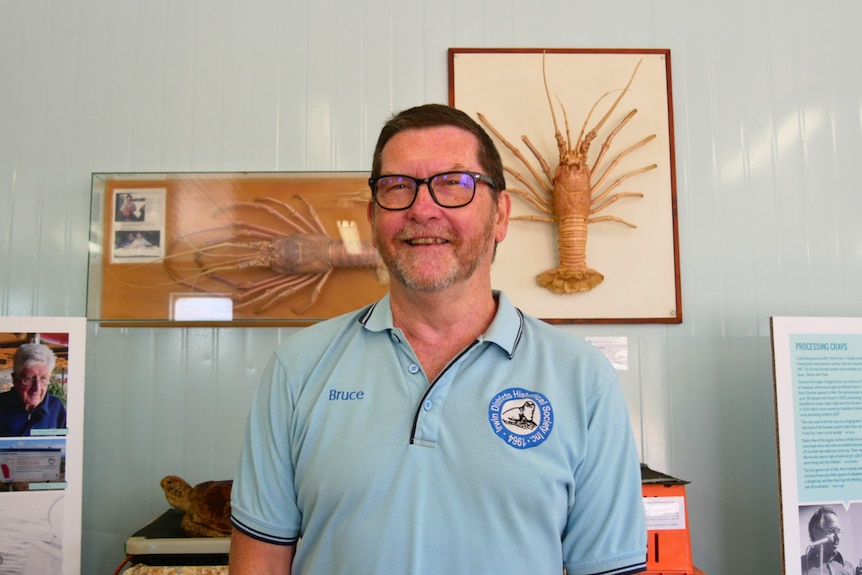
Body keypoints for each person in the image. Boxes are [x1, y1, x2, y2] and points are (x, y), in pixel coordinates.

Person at [229, 103, 647, 575]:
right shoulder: (297, 368)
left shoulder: (583, 379)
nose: (421, 208)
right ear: (372, 216)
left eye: (454, 183)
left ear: (501, 215)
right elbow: (259, 561)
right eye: (397, 186)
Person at [0, 343, 66, 436]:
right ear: (15, 379)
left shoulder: (56, 407)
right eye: (29, 378)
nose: (37, 388)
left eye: (43, 378)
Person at [801, 506, 862, 575]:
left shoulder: (850, 569)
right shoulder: (799, 565)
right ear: (816, 532)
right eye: (832, 530)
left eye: (838, 531)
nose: (837, 537)